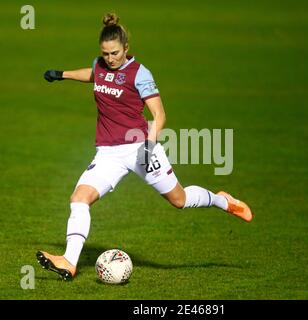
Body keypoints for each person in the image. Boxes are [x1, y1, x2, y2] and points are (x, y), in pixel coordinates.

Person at [36, 13, 253, 280]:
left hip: (140, 148)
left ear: (126, 48)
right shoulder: (101, 65)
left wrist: (150, 146)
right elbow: (94, 74)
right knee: (79, 199)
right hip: (108, 154)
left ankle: (223, 201)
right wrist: (62, 74)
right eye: (105, 53)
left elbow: (160, 115)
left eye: (115, 53)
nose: (110, 58)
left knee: (179, 200)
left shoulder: (140, 73)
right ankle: (69, 261)